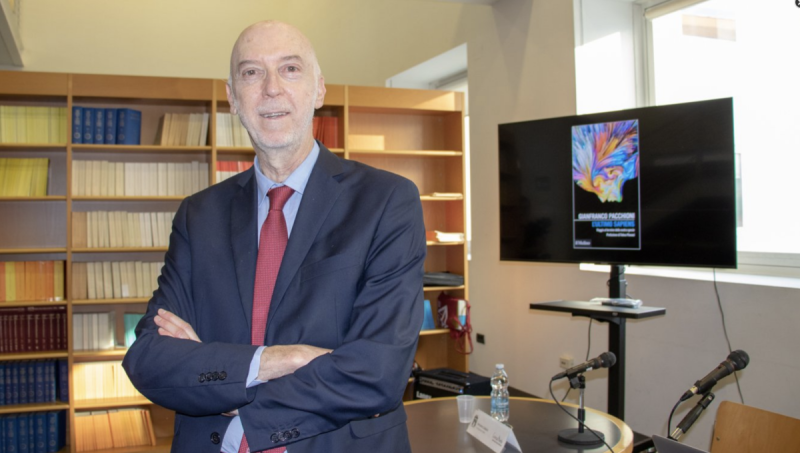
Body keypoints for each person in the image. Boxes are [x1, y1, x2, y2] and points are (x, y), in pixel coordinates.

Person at [123, 20, 426, 453]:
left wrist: (228, 386)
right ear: (232, 97)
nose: (270, 88)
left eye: (290, 69)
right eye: (251, 72)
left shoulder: (386, 201)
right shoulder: (198, 216)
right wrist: (275, 360)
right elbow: (148, 358)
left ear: (319, 89)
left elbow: (377, 373)